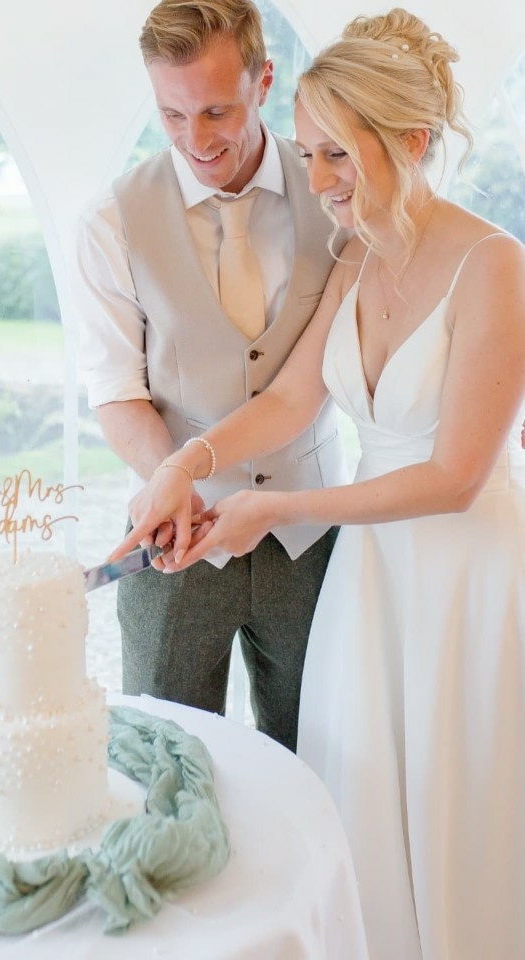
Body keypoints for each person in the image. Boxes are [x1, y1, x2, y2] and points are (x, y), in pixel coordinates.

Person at [109, 8, 525, 960]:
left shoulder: (495, 263)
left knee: (459, 816)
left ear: (412, 142)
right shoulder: (356, 251)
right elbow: (295, 399)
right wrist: (184, 466)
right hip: (369, 586)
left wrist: (277, 507)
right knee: (361, 807)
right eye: (310, 153)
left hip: (466, 582)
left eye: (339, 156)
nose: (319, 182)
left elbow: (456, 475)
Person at [77, 0, 349, 752]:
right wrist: (174, 480)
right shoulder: (110, 221)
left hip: (312, 535)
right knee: (169, 760)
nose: (195, 140)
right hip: (178, 541)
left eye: (217, 112)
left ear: (265, 81)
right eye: (172, 115)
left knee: (320, 755)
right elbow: (117, 393)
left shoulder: (335, 190)